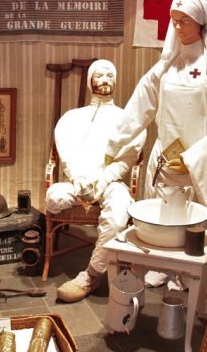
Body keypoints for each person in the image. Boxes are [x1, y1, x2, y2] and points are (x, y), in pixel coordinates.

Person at [104, 0, 207, 288]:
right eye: (174, 21)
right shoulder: (165, 67)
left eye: (185, 21)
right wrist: (113, 147)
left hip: (197, 159)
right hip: (165, 156)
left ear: (202, 24)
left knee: (203, 218)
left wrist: (198, 155)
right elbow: (139, 107)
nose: (178, 28)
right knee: (162, 214)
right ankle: (163, 265)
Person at [47, 60, 146, 302]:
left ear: (115, 81)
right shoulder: (72, 118)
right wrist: (79, 181)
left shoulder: (127, 119)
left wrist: (103, 181)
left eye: (109, 76)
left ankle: (91, 274)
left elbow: (127, 158)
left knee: (120, 209)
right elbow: (66, 154)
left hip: (110, 184)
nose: (104, 80)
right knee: (53, 196)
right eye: (99, 76)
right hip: (78, 183)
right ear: (91, 81)